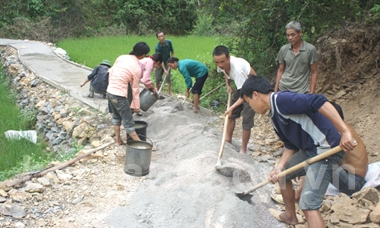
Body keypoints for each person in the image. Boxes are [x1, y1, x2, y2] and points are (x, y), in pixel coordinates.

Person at [240, 75, 357, 228]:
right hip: (311, 150)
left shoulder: (281, 100)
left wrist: (345, 131)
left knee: (308, 204)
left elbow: (319, 101)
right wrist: (279, 167)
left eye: (249, 103)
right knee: (283, 176)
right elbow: (290, 145)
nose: (251, 108)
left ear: (255, 95)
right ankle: (290, 216)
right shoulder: (274, 115)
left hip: (326, 151)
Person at [294, 103, 368, 200]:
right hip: (349, 174)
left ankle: (299, 196)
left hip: (354, 183)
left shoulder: (339, 134)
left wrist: (304, 178)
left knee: (323, 162)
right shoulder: (344, 129)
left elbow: (322, 160)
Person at [212, 45, 257, 154]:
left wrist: (231, 107)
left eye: (222, 62)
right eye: (217, 62)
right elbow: (225, 74)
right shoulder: (221, 64)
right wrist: (228, 85)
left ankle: (243, 149)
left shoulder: (237, 70)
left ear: (228, 58)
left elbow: (244, 95)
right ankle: (228, 139)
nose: (220, 65)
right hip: (241, 86)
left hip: (252, 88)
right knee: (231, 115)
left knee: (246, 120)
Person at [107, 42, 150, 145]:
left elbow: (111, 72)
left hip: (110, 91)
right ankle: (142, 145)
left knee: (117, 117)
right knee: (129, 123)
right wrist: (136, 106)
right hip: (119, 95)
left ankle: (118, 140)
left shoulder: (121, 57)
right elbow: (135, 89)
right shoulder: (136, 68)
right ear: (143, 55)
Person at [274, 21, 318, 94]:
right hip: (283, 89)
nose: (290, 38)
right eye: (288, 35)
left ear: (300, 33)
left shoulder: (310, 49)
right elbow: (280, 70)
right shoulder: (284, 49)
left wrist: (311, 93)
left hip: (301, 91)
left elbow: (314, 72)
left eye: (292, 35)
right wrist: (275, 91)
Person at [155, 31, 175, 96]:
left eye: (162, 36)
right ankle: (157, 92)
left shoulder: (169, 42)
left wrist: (172, 60)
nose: (161, 37)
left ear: (164, 36)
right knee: (158, 77)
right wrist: (164, 69)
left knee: (168, 77)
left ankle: (169, 93)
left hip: (168, 61)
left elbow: (172, 52)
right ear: (158, 38)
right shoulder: (157, 47)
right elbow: (160, 59)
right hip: (160, 62)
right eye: (159, 36)